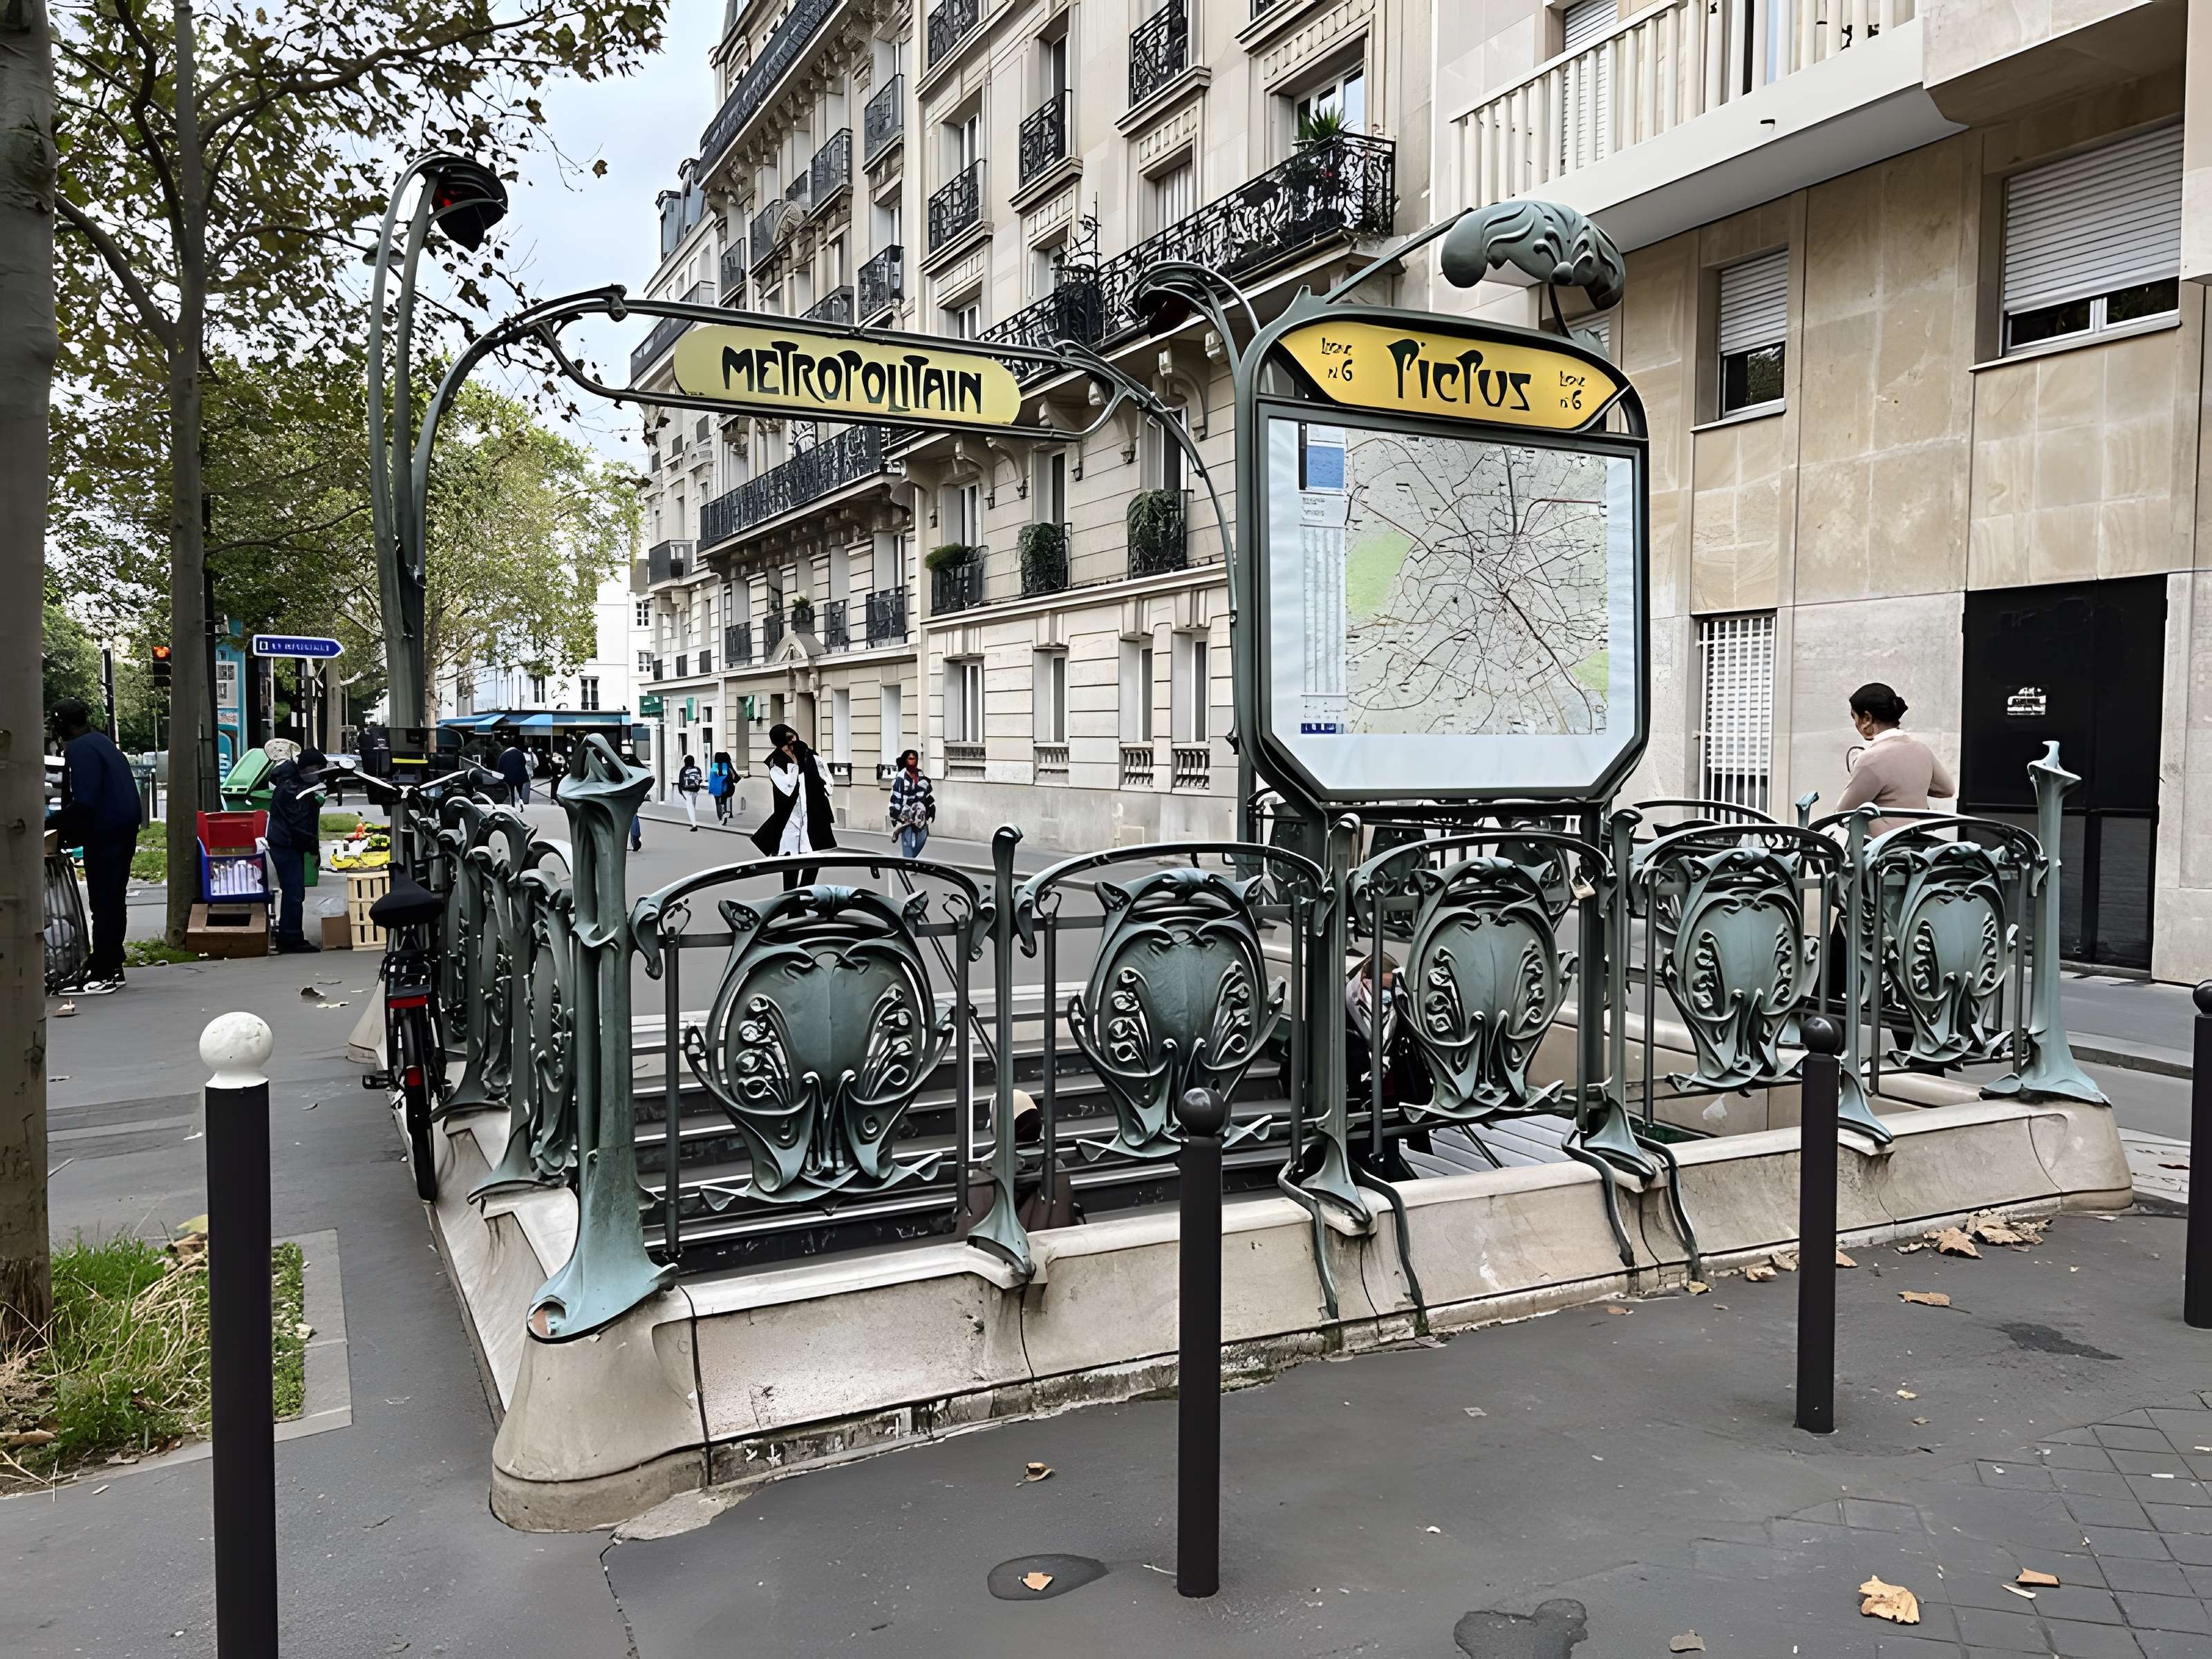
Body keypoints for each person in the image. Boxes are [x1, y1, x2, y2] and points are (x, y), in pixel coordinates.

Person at [47, 700, 142, 994]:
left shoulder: (80, 749)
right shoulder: (102, 741)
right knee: (114, 898)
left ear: (65, 725)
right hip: (123, 828)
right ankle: (113, 962)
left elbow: (85, 800)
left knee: (103, 902)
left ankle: (104, 970)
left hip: (105, 831)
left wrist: (53, 821)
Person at [1836, 682, 1956, 834]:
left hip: (1884, 849)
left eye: (1855, 717)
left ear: (1867, 719)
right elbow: (1947, 790)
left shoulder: (1870, 759)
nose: (1855, 724)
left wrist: (1858, 770)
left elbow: (1842, 814)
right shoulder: (1922, 749)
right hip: (1921, 845)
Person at [751, 722, 836, 889]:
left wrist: (819, 787)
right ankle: (791, 899)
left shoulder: (812, 757)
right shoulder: (775, 763)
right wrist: (796, 765)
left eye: (792, 742)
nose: (790, 747)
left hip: (812, 815)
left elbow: (828, 784)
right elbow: (787, 787)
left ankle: (804, 893)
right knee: (791, 862)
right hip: (790, 819)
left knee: (814, 858)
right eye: (786, 744)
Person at [265, 744, 330, 953]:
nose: (317, 776)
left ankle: (290, 934)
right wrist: (311, 845)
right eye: (316, 770)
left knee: (294, 891)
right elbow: (299, 822)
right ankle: (291, 938)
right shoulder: (293, 790)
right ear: (306, 768)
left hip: (284, 841)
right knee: (294, 891)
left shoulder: (291, 781)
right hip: (286, 843)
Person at [886, 748, 935, 859]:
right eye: (911, 759)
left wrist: (931, 812)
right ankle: (908, 863)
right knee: (907, 843)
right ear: (906, 761)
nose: (913, 761)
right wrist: (895, 815)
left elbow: (928, 796)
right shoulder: (901, 778)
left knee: (922, 838)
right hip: (906, 815)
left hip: (920, 815)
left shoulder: (921, 776)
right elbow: (896, 797)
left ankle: (911, 858)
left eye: (915, 759)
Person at [496, 741, 532, 807]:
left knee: (511, 791)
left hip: (509, 777)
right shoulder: (519, 753)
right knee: (520, 790)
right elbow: (524, 762)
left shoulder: (503, 755)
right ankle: (521, 801)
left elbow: (500, 767)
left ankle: (513, 805)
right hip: (520, 775)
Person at [708, 750, 738, 825]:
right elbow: (735, 777)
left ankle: (720, 817)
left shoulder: (714, 766)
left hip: (716, 788)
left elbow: (712, 777)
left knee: (718, 802)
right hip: (726, 788)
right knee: (726, 800)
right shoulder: (727, 766)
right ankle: (727, 814)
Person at [675, 751, 704, 830]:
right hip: (695, 790)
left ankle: (694, 824)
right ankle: (693, 819)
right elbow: (700, 780)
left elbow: (680, 781)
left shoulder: (684, 770)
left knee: (689, 806)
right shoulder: (697, 769)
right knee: (693, 804)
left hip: (686, 790)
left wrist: (680, 791)